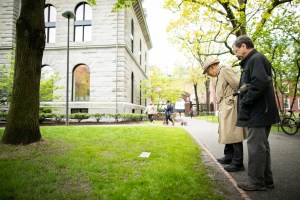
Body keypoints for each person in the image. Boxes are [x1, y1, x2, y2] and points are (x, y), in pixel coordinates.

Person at [232, 35, 280, 191]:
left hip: (259, 112)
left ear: (244, 46)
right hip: (261, 111)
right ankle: (266, 180)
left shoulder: (256, 59)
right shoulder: (254, 60)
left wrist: (245, 101)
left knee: (256, 148)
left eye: (236, 50)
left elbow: (259, 83)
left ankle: (255, 182)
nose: (236, 53)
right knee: (262, 147)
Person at [202, 57, 247, 172]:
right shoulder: (218, 74)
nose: (209, 74)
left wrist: (232, 98)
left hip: (230, 105)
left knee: (234, 132)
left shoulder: (225, 69)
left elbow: (238, 86)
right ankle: (229, 157)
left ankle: (238, 163)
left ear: (212, 66)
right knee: (226, 131)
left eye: (208, 71)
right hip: (224, 106)